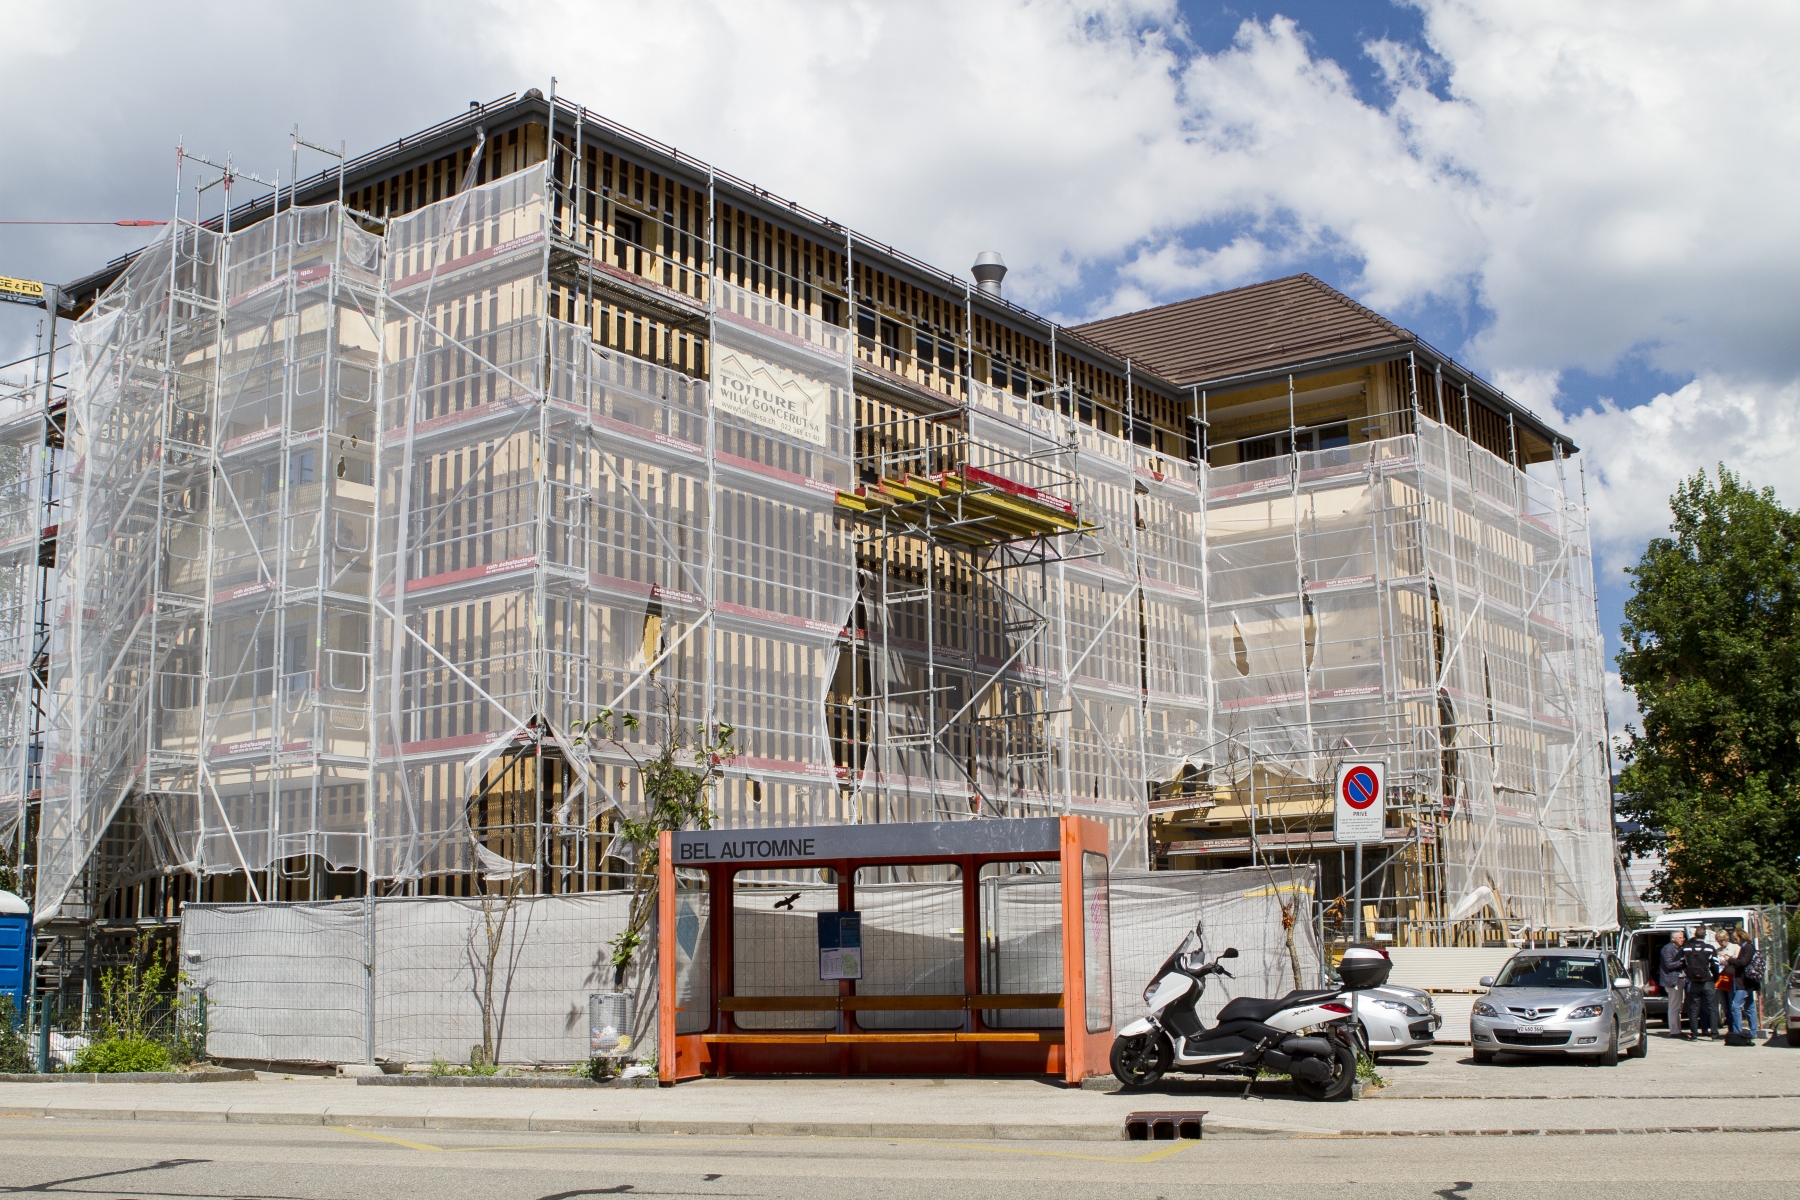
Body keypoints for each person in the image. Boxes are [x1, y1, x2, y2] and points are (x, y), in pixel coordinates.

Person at [1682, 925, 1719, 1038]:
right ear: (1705, 935)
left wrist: (1688, 974)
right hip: (1708, 981)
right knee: (1712, 1007)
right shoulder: (1710, 948)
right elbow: (1715, 965)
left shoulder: (1686, 948)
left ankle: (1694, 1033)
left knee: (1693, 1008)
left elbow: (1682, 963)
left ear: (1695, 935)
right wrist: (1715, 978)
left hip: (1694, 981)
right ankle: (1714, 1033)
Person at [1728, 929, 1763, 1039]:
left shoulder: (1748, 947)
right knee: (1749, 1006)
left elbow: (1743, 962)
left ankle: (1738, 1032)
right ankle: (1753, 1031)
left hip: (1744, 982)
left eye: (1736, 938)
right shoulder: (1745, 947)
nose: (1735, 940)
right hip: (1745, 982)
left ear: (1741, 937)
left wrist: (1730, 959)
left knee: (1735, 1006)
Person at [1659, 930, 1689, 1037]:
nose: (1682, 939)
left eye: (1683, 937)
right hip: (1672, 981)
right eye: (1680, 938)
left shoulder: (1679, 949)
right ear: (1673, 939)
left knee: (1678, 1006)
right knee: (1674, 1006)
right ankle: (1674, 1030)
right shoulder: (1667, 949)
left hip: (1680, 979)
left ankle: (1678, 1028)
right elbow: (1669, 965)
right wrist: (1683, 961)